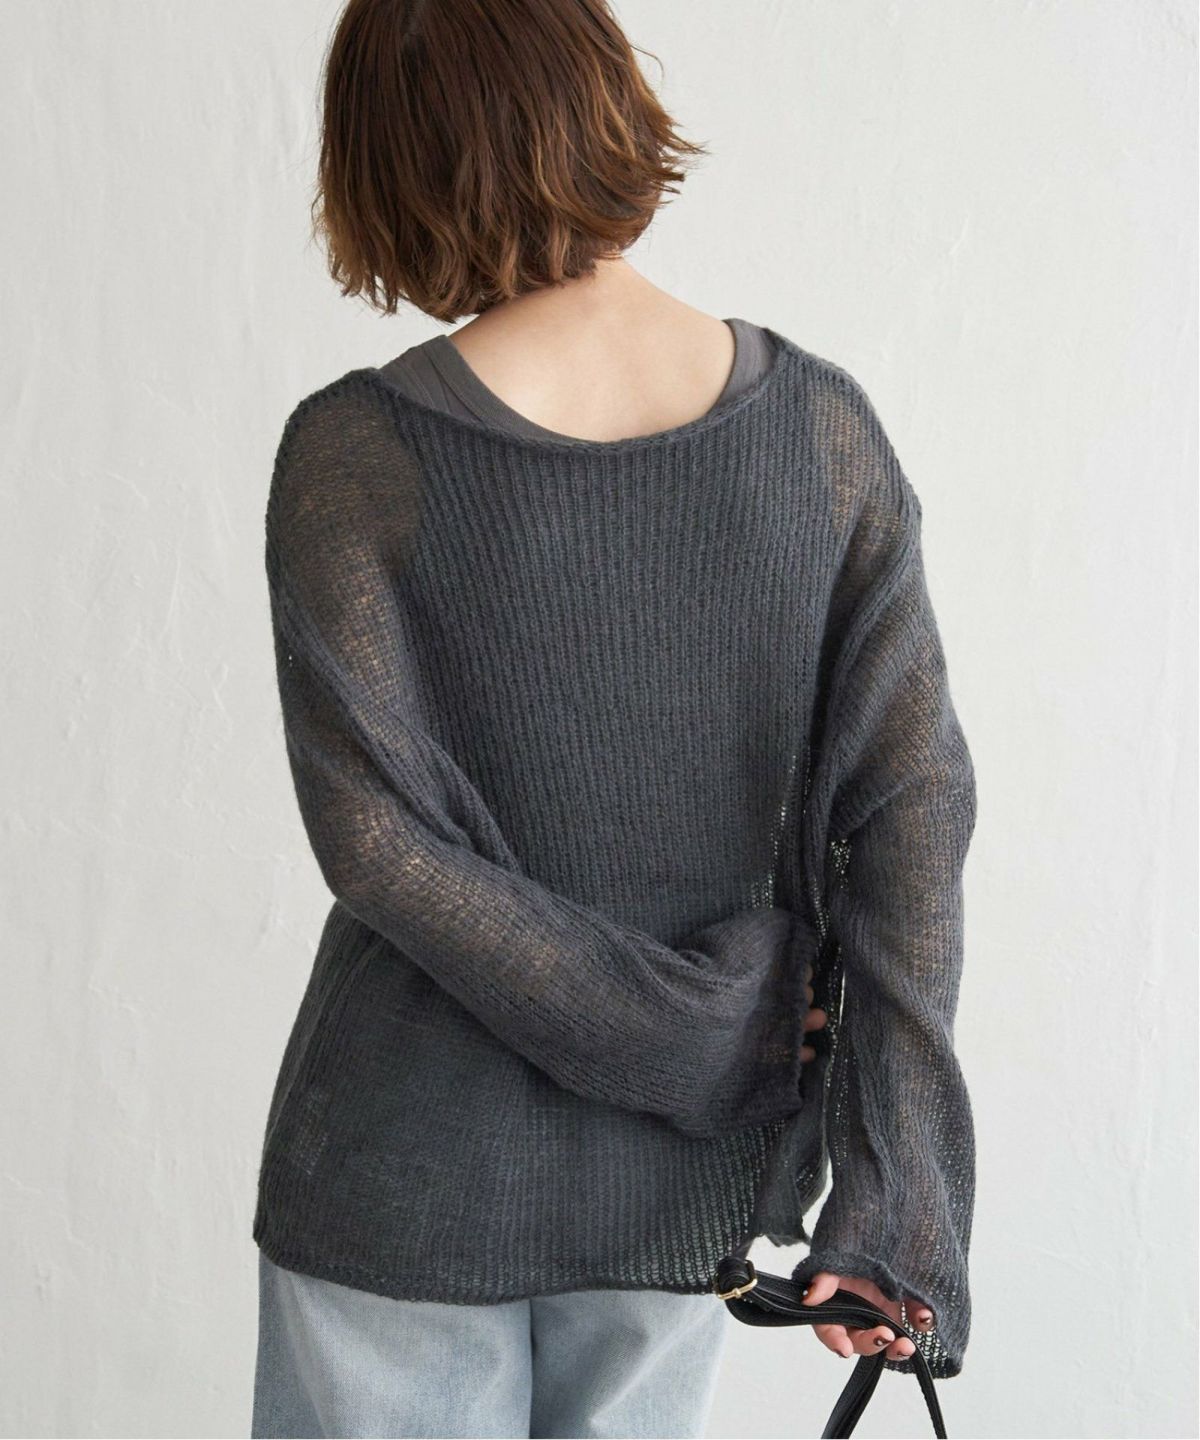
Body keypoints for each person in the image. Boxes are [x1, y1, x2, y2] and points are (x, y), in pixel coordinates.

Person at [250, 1, 978, 1436]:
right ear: (607, 103)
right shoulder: (820, 438)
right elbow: (912, 823)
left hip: (402, 1172)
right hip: (679, 1178)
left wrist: (704, 1044)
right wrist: (893, 1199)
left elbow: (377, 847)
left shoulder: (355, 455)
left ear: (383, 165)